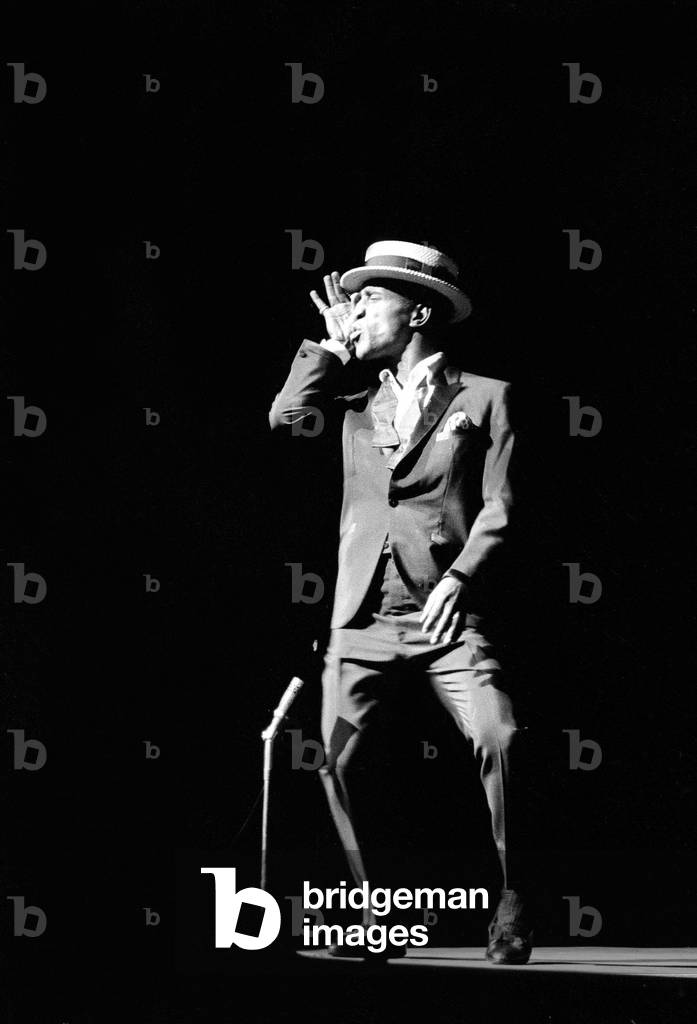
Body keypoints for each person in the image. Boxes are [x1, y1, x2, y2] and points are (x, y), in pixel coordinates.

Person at [269, 239, 533, 964]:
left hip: (447, 610)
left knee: (498, 736)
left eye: (368, 300)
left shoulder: (487, 396)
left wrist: (461, 578)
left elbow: (501, 504)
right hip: (362, 616)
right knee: (337, 759)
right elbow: (285, 421)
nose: (354, 310)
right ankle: (370, 913)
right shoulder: (354, 399)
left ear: (417, 310)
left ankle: (511, 901)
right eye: (349, 301)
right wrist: (326, 348)